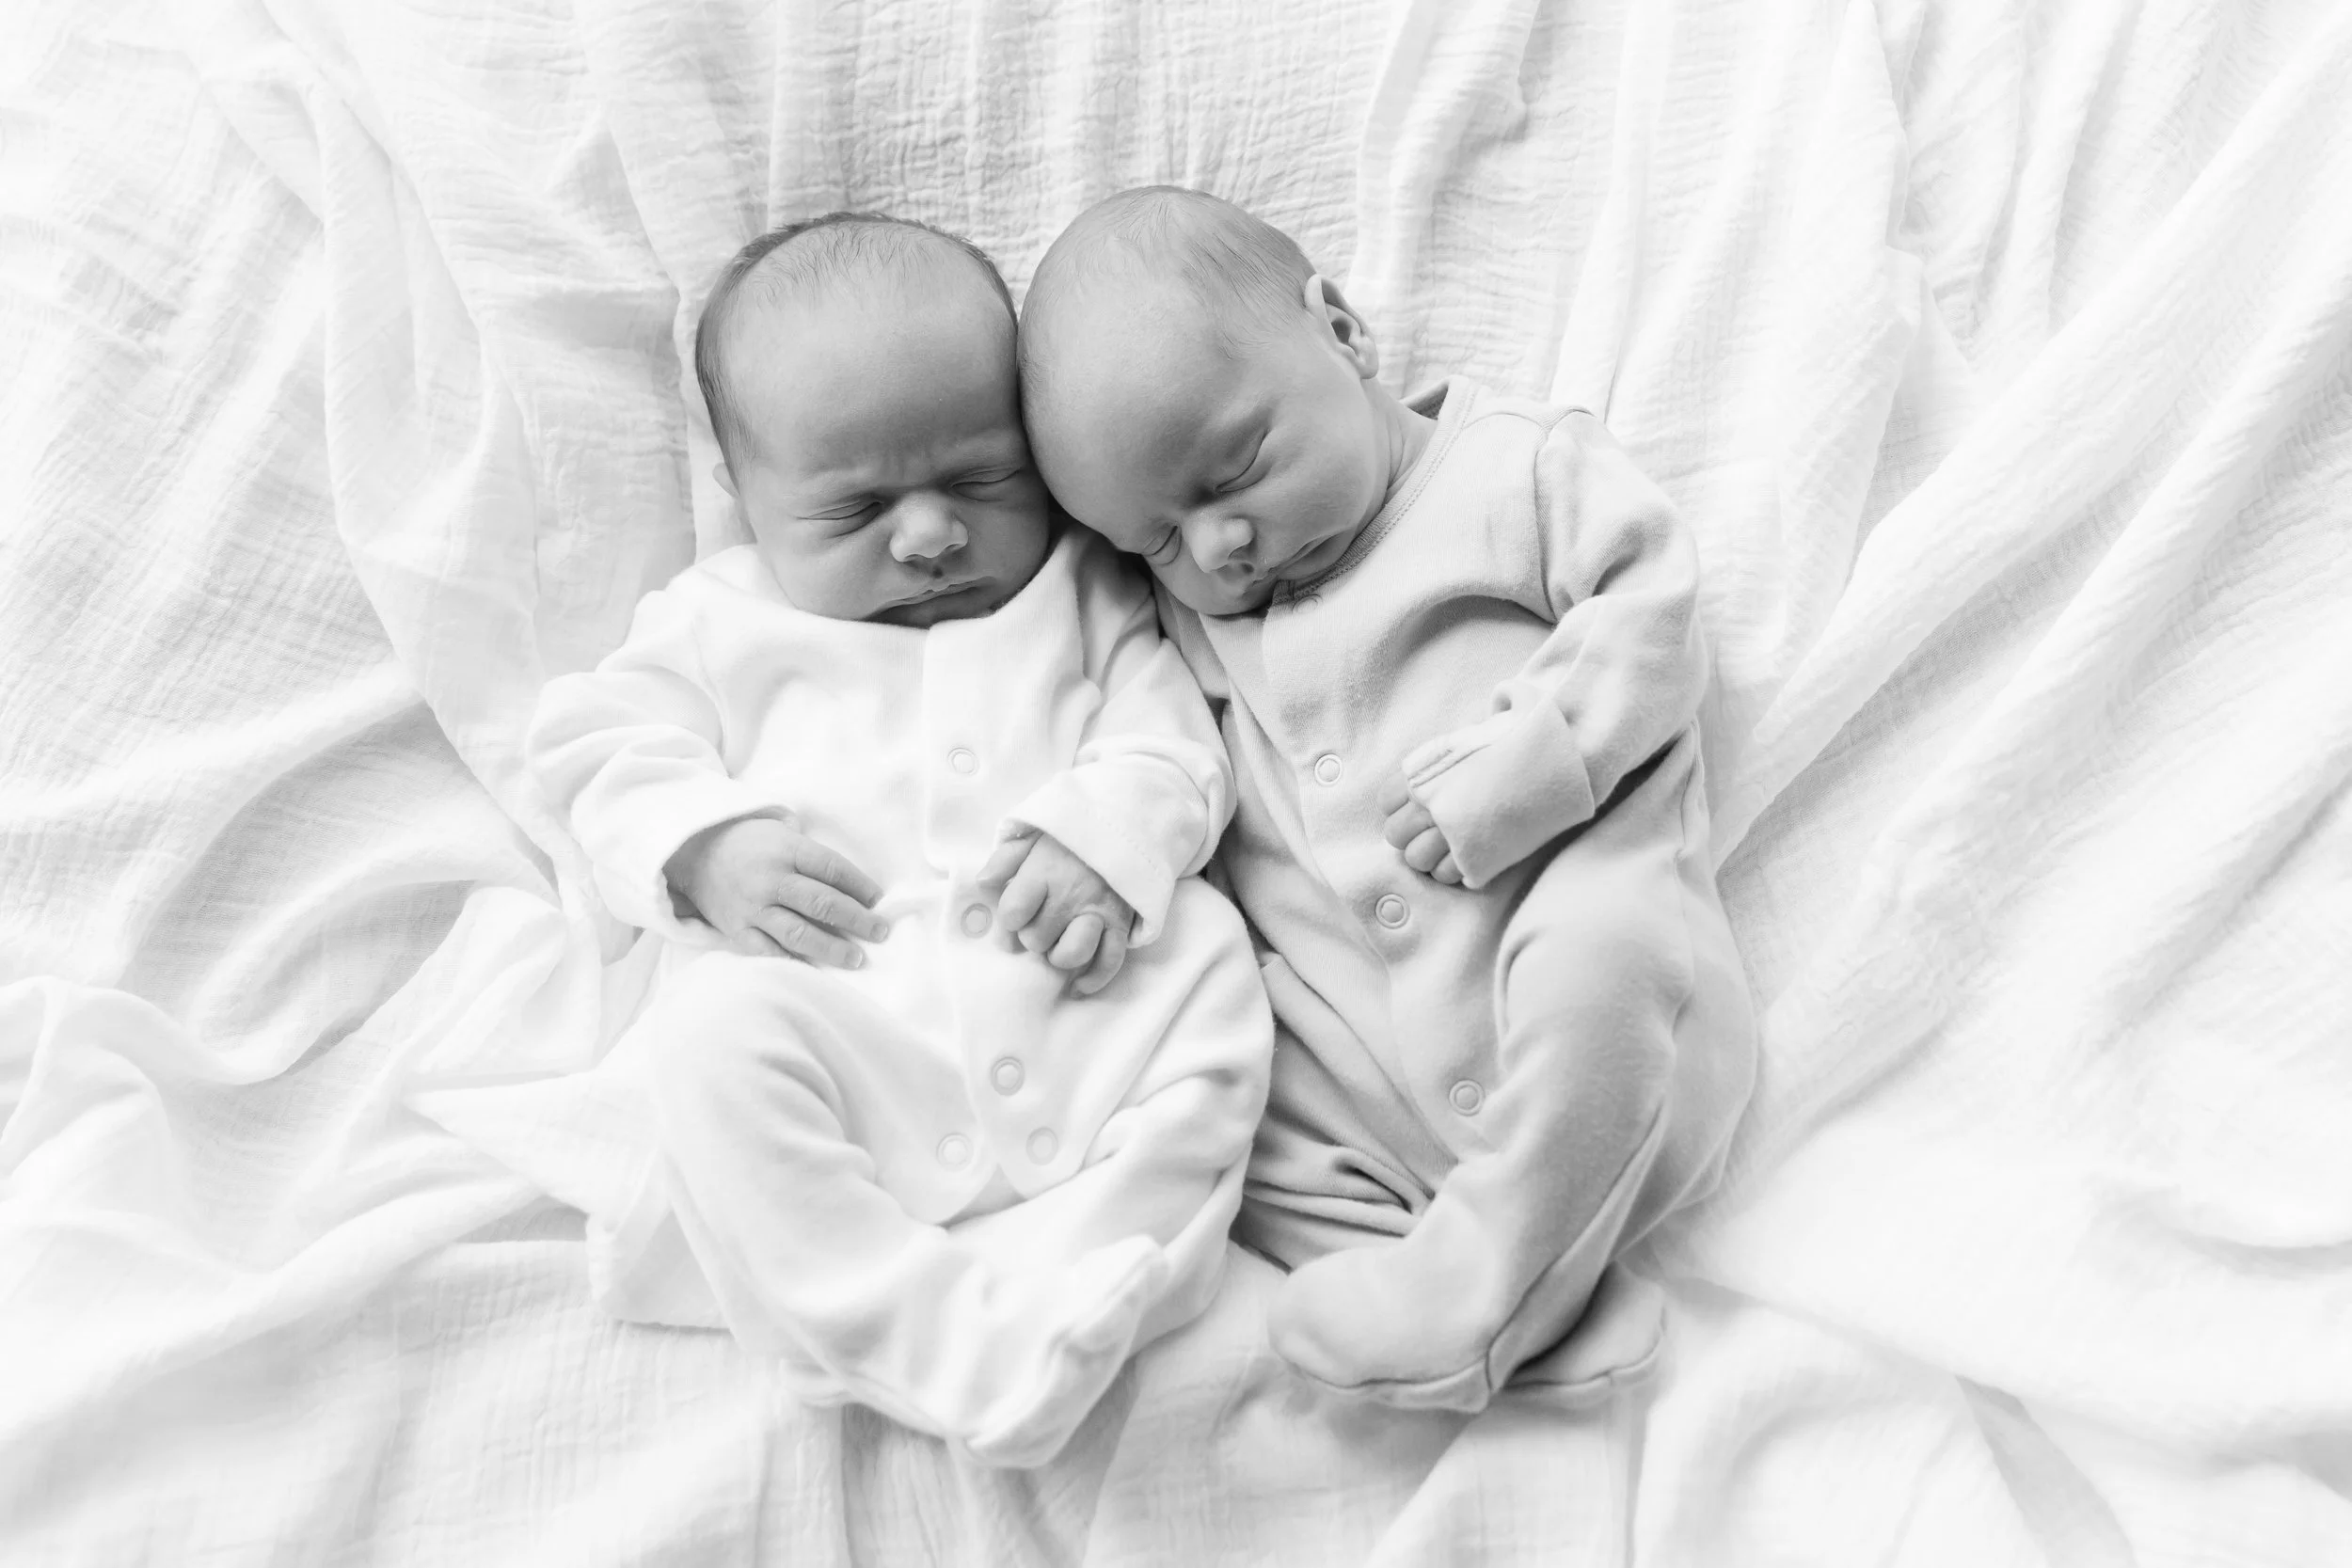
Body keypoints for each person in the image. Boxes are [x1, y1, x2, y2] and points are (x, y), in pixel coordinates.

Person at [528, 212, 1270, 1466]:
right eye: (857, 505)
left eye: (982, 480)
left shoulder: (1080, 594)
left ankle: (1083, 1280)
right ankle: (933, 1335)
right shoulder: (719, 620)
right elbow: (588, 746)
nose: (928, 536)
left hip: (1081, 1012)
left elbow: (1179, 743)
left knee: (1207, 965)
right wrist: (700, 845)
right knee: (711, 1043)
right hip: (853, 1039)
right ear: (746, 497)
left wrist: (1107, 834)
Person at [1017, 186, 1756, 1414]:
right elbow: (1150, 743)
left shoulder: (1508, 469)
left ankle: (1488, 1291)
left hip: (1578, 945)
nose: (1221, 550)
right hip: (1361, 1065)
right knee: (1225, 1084)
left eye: (1235, 469)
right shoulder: (1198, 626)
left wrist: (1533, 758)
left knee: (1605, 960)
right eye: (1158, 541)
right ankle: (1509, 1301)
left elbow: (1654, 606)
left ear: (1345, 335)